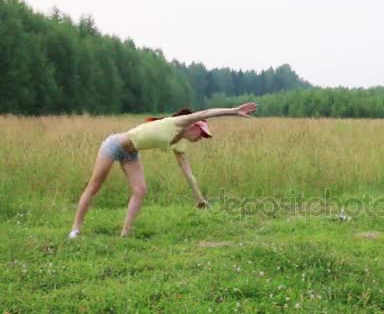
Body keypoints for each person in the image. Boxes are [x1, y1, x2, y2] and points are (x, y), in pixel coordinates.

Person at [68, 102, 257, 239]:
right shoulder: (178, 123)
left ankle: (125, 233)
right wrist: (233, 111)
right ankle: (75, 229)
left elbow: (188, 173)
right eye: (202, 134)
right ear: (194, 127)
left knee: (140, 190)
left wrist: (199, 197)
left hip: (131, 154)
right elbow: (206, 112)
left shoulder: (180, 144)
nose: (202, 138)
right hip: (114, 145)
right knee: (94, 186)